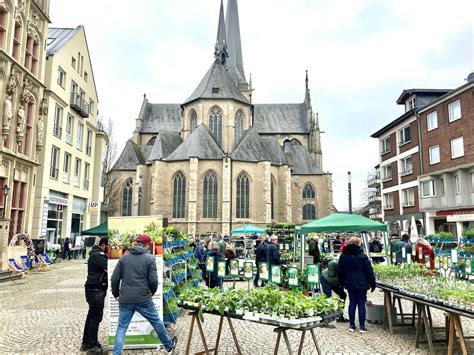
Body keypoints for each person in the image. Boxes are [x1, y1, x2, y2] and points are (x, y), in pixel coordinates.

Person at [111, 235, 177, 354]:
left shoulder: (124, 258)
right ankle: (168, 346)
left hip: (126, 299)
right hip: (143, 298)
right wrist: (153, 291)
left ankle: (116, 353)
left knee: (121, 327)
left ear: (136, 243)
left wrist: (116, 294)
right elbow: (153, 280)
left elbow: (115, 279)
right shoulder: (149, 258)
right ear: (146, 245)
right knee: (156, 321)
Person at [338, 237, 376, 333]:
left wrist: (342, 283)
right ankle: (362, 326)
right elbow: (369, 271)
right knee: (361, 303)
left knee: (352, 302)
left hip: (349, 282)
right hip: (362, 283)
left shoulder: (344, 255)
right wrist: (373, 284)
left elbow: (340, 271)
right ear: (359, 244)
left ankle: (351, 325)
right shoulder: (362, 256)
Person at [81, 237, 108, 352]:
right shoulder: (98, 256)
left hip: (94, 289)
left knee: (91, 316)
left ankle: (86, 342)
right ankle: (92, 344)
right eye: (109, 246)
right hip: (96, 289)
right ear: (103, 244)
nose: (110, 249)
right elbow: (109, 267)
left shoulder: (96, 254)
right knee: (95, 317)